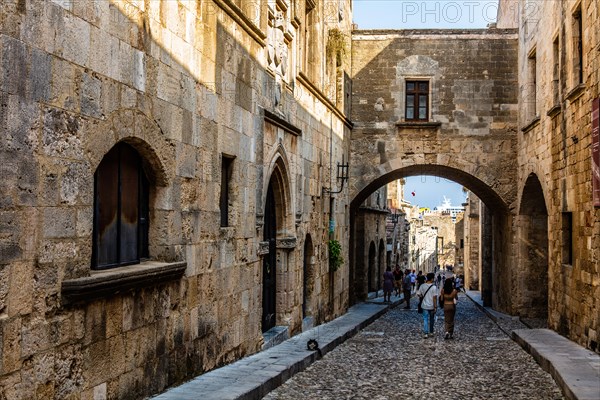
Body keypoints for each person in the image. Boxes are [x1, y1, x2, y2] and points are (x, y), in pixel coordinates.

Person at [417, 272, 438, 338]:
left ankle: (425, 333)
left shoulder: (422, 286)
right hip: (431, 306)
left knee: (425, 319)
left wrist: (422, 296)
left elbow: (419, 294)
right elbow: (434, 298)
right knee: (431, 319)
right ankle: (431, 332)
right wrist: (435, 306)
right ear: (431, 279)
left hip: (424, 305)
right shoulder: (434, 287)